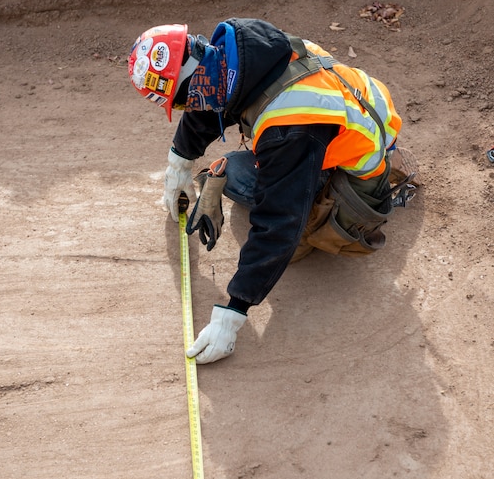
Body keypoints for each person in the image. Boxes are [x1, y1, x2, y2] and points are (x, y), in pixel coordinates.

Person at [128, 19, 417, 364]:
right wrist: (179, 164)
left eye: (180, 102)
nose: (186, 109)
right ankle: (339, 167)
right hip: (365, 115)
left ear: (197, 74)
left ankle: (354, 203)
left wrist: (231, 314)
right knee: (243, 169)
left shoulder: (291, 122)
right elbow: (211, 103)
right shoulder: (240, 52)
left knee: (269, 216)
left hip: (356, 170)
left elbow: (279, 222)